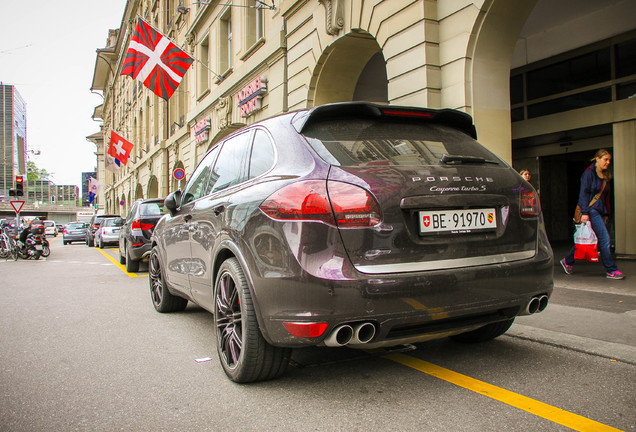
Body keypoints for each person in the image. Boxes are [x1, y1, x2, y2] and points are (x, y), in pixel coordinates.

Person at [560, 149, 624, 280]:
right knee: (605, 239)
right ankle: (611, 270)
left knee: (589, 238)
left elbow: (606, 197)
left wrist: (606, 213)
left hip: (599, 211)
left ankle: (567, 260)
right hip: (591, 210)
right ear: (597, 159)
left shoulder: (606, 175)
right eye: (605, 159)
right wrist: (584, 212)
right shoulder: (588, 174)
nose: (608, 162)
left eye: (609, 160)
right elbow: (583, 193)